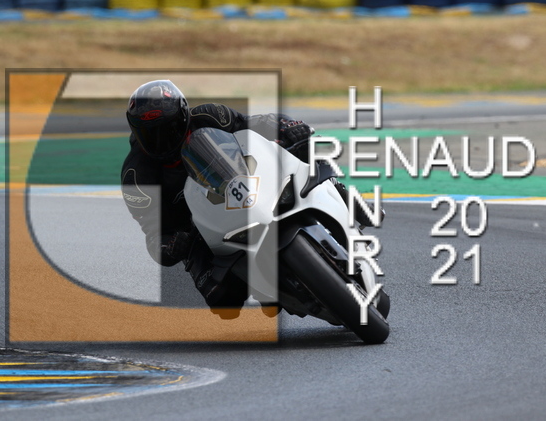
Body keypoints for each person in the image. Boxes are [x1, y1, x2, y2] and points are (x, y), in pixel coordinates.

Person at [121, 79, 376, 318]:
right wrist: (171, 246)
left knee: (303, 146)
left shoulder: (210, 115)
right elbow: (153, 234)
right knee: (224, 304)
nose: (162, 141)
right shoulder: (136, 178)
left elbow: (256, 123)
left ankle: (345, 196)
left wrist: (287, 127)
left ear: (184, 115)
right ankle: (265, 286)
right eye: (151, 135)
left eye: (170, 129)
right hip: (200, 229)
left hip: (247, 182)